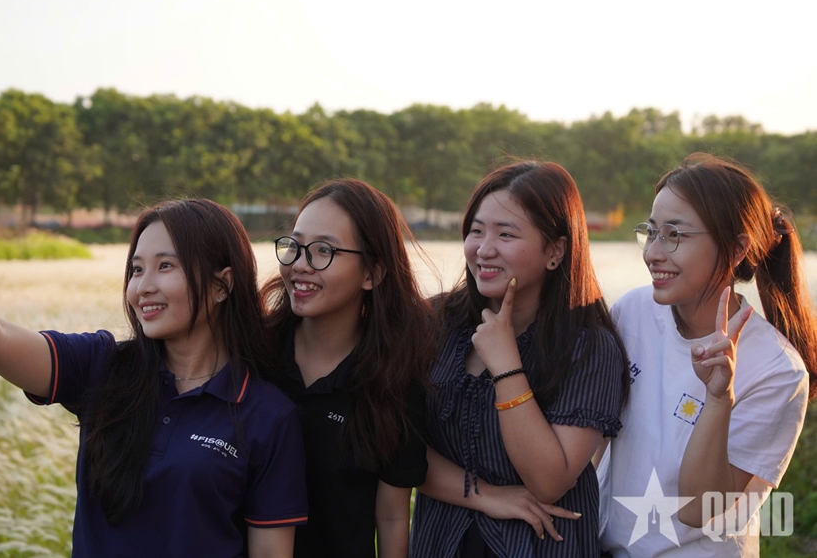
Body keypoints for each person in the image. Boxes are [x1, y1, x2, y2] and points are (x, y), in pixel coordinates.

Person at [0, 199, 307, 558]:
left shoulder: (267, 416)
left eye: (165, 266)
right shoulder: (102, 367)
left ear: (221, 285)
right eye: (136, 269)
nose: (142, 287)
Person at [597, 153, 816, 556]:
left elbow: (700, 509)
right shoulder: (632, 312)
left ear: (736, 249)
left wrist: (718, 398)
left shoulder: (777, 370)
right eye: (651, 232)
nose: (653, 253)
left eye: (674, 235)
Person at [410, 160, 630, 557]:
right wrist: (486, 495)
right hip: (441, 543)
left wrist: (507, 367)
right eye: (476, 230)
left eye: (506, 234)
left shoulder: (588, 348)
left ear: (555, 250)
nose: (484, 248)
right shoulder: (434, 322)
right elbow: (398, 449)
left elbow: (549, 481)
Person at [261, 178, 435, 558]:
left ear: (372, 272)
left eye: (323, 250)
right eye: (294, 246)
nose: (300, 265)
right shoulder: (255, 354)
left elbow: (392, 516)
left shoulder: (393, 376)